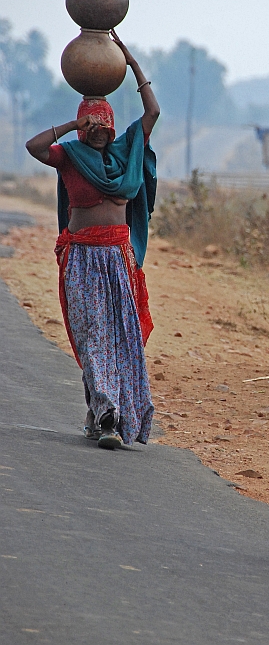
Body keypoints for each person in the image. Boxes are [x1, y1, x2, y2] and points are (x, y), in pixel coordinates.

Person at [26, 30, 159, 451]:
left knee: (123, 340)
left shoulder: (126, 152)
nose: (99, 129)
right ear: (83, 124)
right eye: (91, 122)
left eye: (105, 122)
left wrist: (132, 63)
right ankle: (104, 418)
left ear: (114, 125)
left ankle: (104, 414)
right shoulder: (69, 156)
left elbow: (153, 112)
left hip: (119, 259)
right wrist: (70, 125)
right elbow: (34, 146)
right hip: (83, 259)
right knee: (94, 338)